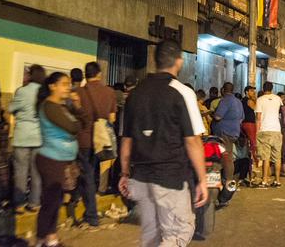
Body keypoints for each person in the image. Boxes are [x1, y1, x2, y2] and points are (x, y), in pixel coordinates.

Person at [119, 40, 207, 247]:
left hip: (140, 178)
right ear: (180, 61)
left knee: (152, 236)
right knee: (179, 232)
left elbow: (127, 140)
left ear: (155, 60)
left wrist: (124, 174)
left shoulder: (135, 94)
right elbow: (193, 140)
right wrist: (202, 179)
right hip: (170, 178)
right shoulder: (183, 92)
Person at [35, 72, 83, 247]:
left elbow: (81, 124)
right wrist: (77, 119)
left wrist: (77, 107)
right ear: (52, 86)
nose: (68, 87)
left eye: (69, 84)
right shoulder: (50, 107)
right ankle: (41, 239)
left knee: (56, 200)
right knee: (50, 201)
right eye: (63, 84)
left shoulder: (62, 107)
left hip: (62, 159)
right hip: (51, 159)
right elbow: (73, 127)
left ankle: (51, 238)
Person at [76, 62, 117, 226]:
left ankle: (91, 214)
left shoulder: (78, 92)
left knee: (87, 174)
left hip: (84, 140)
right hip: (101, 141)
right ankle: (89, 209)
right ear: (99, 74)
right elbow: (112, 118)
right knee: (93, 174)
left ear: (86, 74)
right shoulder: (109, 92)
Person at [10, 64, 46, 213]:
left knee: (20, 170)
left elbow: (11, 109)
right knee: (36, 171)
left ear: (30, 75)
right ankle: (35, 202)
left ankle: (19, 204)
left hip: (22, 135)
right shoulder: (45, 93)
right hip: (39, 136)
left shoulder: (22, 92)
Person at [213, 82, 244, 183]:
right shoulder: (238, 102)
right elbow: (241, 118)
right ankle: (227, 179)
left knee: (225, 157)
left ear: (223, 90)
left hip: (224, 133)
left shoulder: (225, 100)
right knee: (228, 156)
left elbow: (218, 117)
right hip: (234, 132)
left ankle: (227, 180)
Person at [255, 82, 283, 188]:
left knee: (265, 157)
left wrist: (257, 132)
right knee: (277, 157)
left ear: (263, 88)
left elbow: (258, 117)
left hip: (264, 131)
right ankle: (277, 180)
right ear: (272, 88)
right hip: (276, 130)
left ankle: (265, 180)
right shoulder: (277, 99)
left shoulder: (260, 99)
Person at [241, 86, 257, 167]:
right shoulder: (249, 100)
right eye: (251, 91)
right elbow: (256, 108)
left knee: (249, 142)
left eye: (253, 91)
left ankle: (250, 160)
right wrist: (255, 99)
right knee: (253, 142)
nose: (253, 92)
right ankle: (254, 162)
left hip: (244, 123)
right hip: (249, 123)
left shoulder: (242, 100)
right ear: (246, 92)